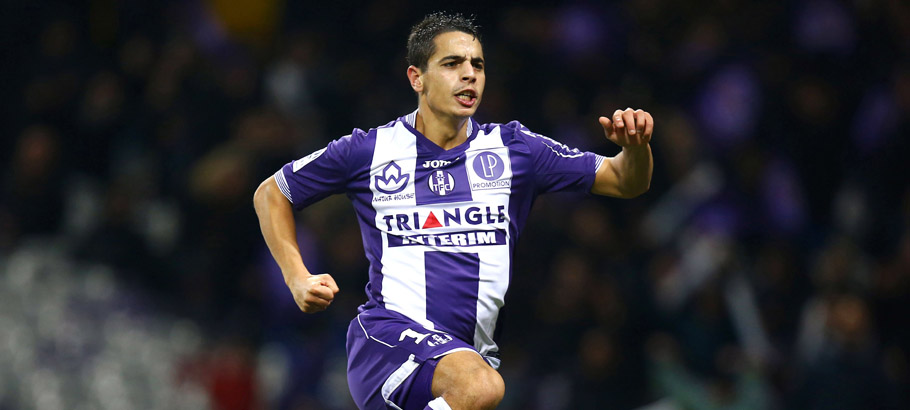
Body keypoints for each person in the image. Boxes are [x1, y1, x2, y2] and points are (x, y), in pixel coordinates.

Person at [253, 12, 653, 410]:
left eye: (477, 65)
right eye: (452, 64)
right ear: (417, 78)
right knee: (483, 385)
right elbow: (272, 193)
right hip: (389, 342)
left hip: (460, 364)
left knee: (479, 384)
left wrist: (635, 148)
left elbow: (624, 181)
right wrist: (297, 278)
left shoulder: (517, 150)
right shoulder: (370, 150)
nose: (469, 75)